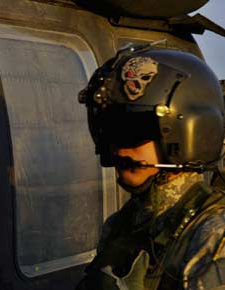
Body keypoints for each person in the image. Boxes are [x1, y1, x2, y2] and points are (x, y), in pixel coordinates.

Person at [76, 44, 225, 290]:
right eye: (110, 130)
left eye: (133, 132)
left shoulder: (213, 236)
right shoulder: (122, 224)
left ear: (188, 135)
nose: (119, 149)